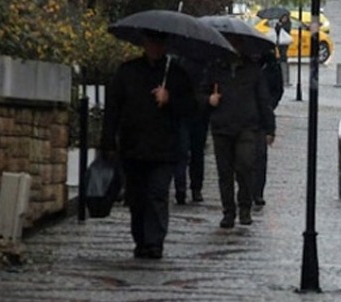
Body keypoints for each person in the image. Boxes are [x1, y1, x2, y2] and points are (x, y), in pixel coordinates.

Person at [100, 30, 195, 259]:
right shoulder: (128, 71)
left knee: (157, 194)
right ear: (144, 44)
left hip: (165, 148)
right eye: (151, 43)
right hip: (133, 147)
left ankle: (155, 242)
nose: (155, 47)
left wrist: (170, 98)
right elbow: (113, 108)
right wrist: (108, 141)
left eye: (159, 43)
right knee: (137, 197)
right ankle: (141, 239)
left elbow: (191, 108)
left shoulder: (176, 74)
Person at [202, 35, 276, 229]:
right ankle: (228, 211)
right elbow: (200, 94)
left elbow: (263, 100)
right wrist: (209, 100)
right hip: (222, 127)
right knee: (224, 173)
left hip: (247, 127)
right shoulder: (215, 70)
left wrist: (270, 128)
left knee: (245, 166)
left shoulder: (253, 71)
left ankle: (245, 207)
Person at [174, 57, 209, 204]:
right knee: (185, 153)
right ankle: (184, 189)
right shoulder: (177, 65)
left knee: (194, 153)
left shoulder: (205, 66)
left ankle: (193, 188)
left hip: (198, 114)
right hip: (185, 114)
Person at [253, 46, 284, 209]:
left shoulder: (271, 66)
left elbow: (278, 89)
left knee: (259, 157)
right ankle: (247, 190)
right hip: (246, 116)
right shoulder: (247, 64)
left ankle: (257, 192)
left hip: (262, 118)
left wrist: (270, 106)